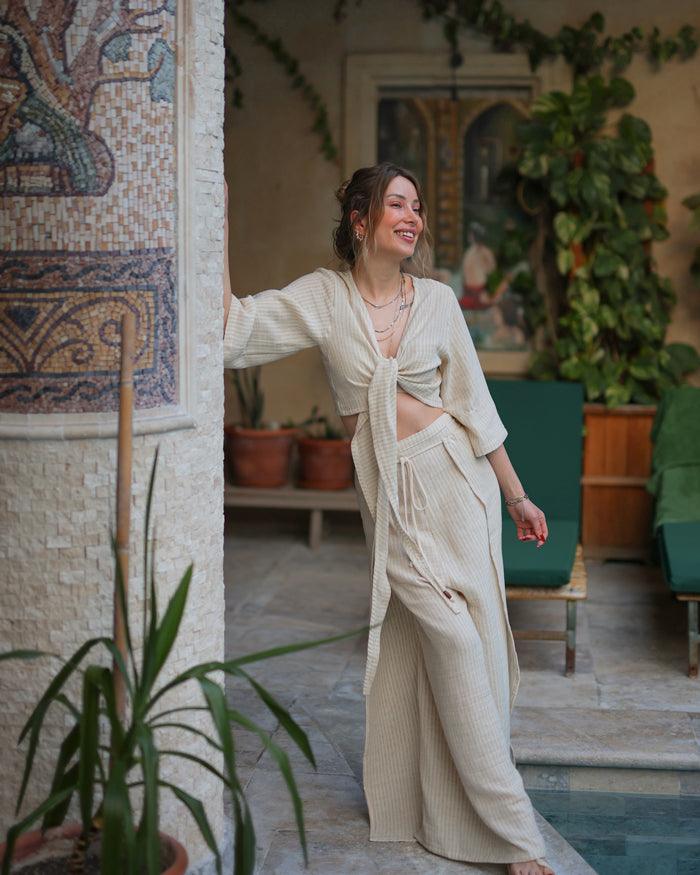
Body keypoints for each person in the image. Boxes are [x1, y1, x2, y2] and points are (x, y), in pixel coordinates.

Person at [222, 163, 553, 875]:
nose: (413, 216)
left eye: (419, 206)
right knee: (455, 643)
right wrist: (214, 228)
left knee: (481, 646)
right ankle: (518, 838)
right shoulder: (323, 297)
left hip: (459, 482)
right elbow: (235, 331)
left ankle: (450, 808)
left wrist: (518, 495)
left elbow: (477, 408)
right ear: (360, 220)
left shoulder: (436, 301)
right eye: (397, 203)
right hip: (393, 498)